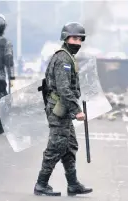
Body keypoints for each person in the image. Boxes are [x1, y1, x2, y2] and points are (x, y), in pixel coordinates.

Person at [34, 22, 93, 196]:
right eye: (74, 38)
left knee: (69, 146)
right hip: (59, 110)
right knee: (56, 147)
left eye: (80, 39)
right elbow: (64, 89)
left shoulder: (68, 57)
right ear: (66, 38)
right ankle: (41, 184)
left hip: (64, 110)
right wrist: (77, 110)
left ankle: (73, 184)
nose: (78, 42)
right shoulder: (63, 59)